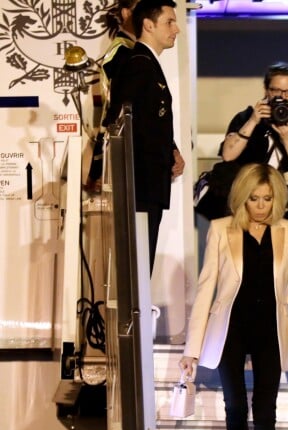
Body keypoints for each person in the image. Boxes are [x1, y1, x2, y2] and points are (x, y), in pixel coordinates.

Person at [180, 163, 288, 430]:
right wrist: (191, 348)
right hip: (230, 329)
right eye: (254, 199)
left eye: (268, 199)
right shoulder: (221, 229)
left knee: (265, 411)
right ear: (242, 197)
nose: (261, 206)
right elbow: (206, 289)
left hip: (270, 329)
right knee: (235, 405)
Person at [108, 0, 185, 274]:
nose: (177, 29)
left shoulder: (147, 64)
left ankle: (139, 314)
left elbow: (151, 120)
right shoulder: (138, 64)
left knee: (141, 269)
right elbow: (119, 122)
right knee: (136, 272)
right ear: (148, 25)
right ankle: (136, 317)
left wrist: (172, 150)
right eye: (169, 22)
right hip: (138, 185)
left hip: (148, 185)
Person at [218, 62, 288, 255]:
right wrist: (254, 121)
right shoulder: (245, 117)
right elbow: (228, 155)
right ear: (266, 89)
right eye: (276, 90)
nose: (282, 97)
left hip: (285, 206)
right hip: (248, 205)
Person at [86, 0, 137, 193]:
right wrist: (97, 169)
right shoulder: (122, 52)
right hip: (124, 156)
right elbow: (115, 109)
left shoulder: (132, 50)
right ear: (125, 13)